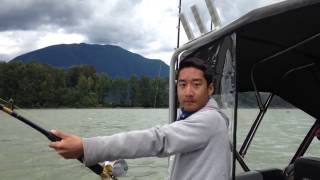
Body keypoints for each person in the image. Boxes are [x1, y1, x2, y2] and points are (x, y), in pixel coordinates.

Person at [49, 57, 231, 180]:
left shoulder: (210, 120)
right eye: (182, 85)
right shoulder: (191, 118)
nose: (188, 92)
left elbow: (158, 139)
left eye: (196, 84)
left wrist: (86, 146)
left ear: (210, 89)